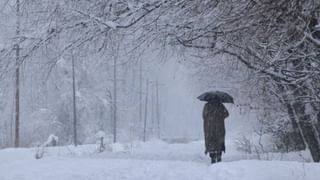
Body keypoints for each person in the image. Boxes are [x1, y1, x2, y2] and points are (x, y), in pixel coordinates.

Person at [203, 98, 229, 164]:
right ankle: (219, 157)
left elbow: (203, 116)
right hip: (219, 127)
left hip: (209, 128)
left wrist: (210, 118)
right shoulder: (220, 105)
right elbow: (227, 114)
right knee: (219, 141)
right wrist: (220, 116)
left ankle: (213, 158)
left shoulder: (207, 106)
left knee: (211, 141)